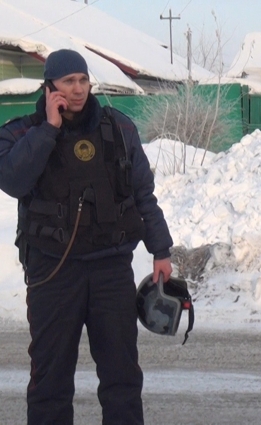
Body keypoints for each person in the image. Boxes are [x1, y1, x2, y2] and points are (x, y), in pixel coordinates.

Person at [0, 49, 173, 424]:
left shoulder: (119, 128)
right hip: (52, 272)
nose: (78, 90)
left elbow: (143, 193)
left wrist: (161, 249)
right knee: (50, 380)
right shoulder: (20, 132)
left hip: (110, 269)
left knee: (122, 377)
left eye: (83, 80)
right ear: (50, 88)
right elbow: (13, 181)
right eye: (68, 82)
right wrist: (48, 128)